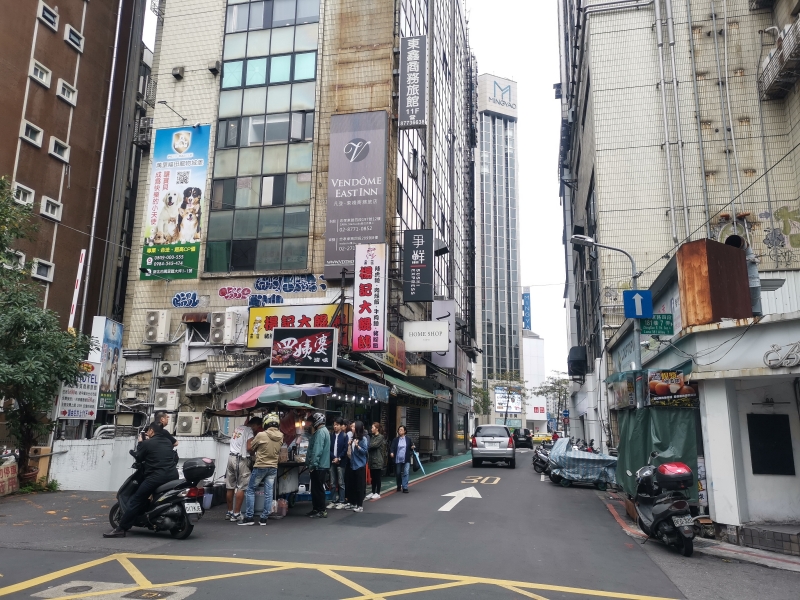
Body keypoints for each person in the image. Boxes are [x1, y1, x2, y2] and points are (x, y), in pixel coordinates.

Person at [103, 422, 179, 537]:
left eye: (148, 431)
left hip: (156, 477)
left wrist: (140, 443)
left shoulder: (147, 443)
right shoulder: (168, 442)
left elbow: (139, 457)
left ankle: (121, 529)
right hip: (173, 476)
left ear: (152, 431)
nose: (147, 433)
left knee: (136, 500)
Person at [240, 413, 283, 526]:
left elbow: (251, 448)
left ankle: (249, 517)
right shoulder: (281, 436)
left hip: (260, 466)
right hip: (273, 467)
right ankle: (264, 518)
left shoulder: (261, 435)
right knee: (269, 492)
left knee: (250, 489)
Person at [225, 417, 257, 522]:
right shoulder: (249, 431)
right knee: (241, 487)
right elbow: (249, 448)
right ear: (255, 425)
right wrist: (254, 453)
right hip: (241, 459)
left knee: (230, 486)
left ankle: (229, 512)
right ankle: (236, 514)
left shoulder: (238, 428)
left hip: (230, 458)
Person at [305, 412, 331, 518]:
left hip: (319, 465)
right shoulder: (324, 431)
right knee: (317, 489)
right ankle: (316, 509)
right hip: (322, 464)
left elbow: (317, 450)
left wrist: (312, 465)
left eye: (313, 421)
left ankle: (321, 509)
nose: (311, 423)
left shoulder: (320, 432)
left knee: (318, 489)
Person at [347, 420, 369, 512]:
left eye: (353, 426)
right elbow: (350, 454)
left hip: (360, 465)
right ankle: (354, 503)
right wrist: (349, 445)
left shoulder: (363, 439)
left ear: (357, 428)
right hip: (353, 465)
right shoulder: (352, 438)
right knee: (353, 485)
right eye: (351, 426)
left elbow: (365, 451)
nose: (351, 428)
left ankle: (360, 505)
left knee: (360, 486)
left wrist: (357, 446)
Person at [328, 418, 348, 510]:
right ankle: (332, 500)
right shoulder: (331, 435)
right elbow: (329, 448)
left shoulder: (344, 436)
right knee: (332, 482)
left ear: (341, 426)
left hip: (341, 462)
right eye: (334, 424)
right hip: (332, 461)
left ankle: (341, 501)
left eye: (337, 424)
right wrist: (334, 458)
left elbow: (345, 449)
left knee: (341, 482)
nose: (335, 426)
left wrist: (338, 458)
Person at [389, 425, 415, 493]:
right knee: (398, 473)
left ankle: (405, 487)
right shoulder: (395, 439)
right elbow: (392, 447)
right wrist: (391, 452)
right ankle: (398, 485)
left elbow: (411, 447)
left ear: (405, 431)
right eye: (399, 430)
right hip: (398, 459)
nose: (399, 431)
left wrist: (412, 447)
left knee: (406, 472)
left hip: (406, 459)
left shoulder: (408, 439)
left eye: (401, 430)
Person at [366, 422, 386, 500]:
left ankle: (378, 492)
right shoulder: (372, 437)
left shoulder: (380, 437)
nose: (371, 429)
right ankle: (373, 492)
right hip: (371, 459)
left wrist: (368, 445)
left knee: (377, 477)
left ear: (377, 428)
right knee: (373, 477)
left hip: (378, 460)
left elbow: (374, 445)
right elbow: (371, 444)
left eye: (373, 427)